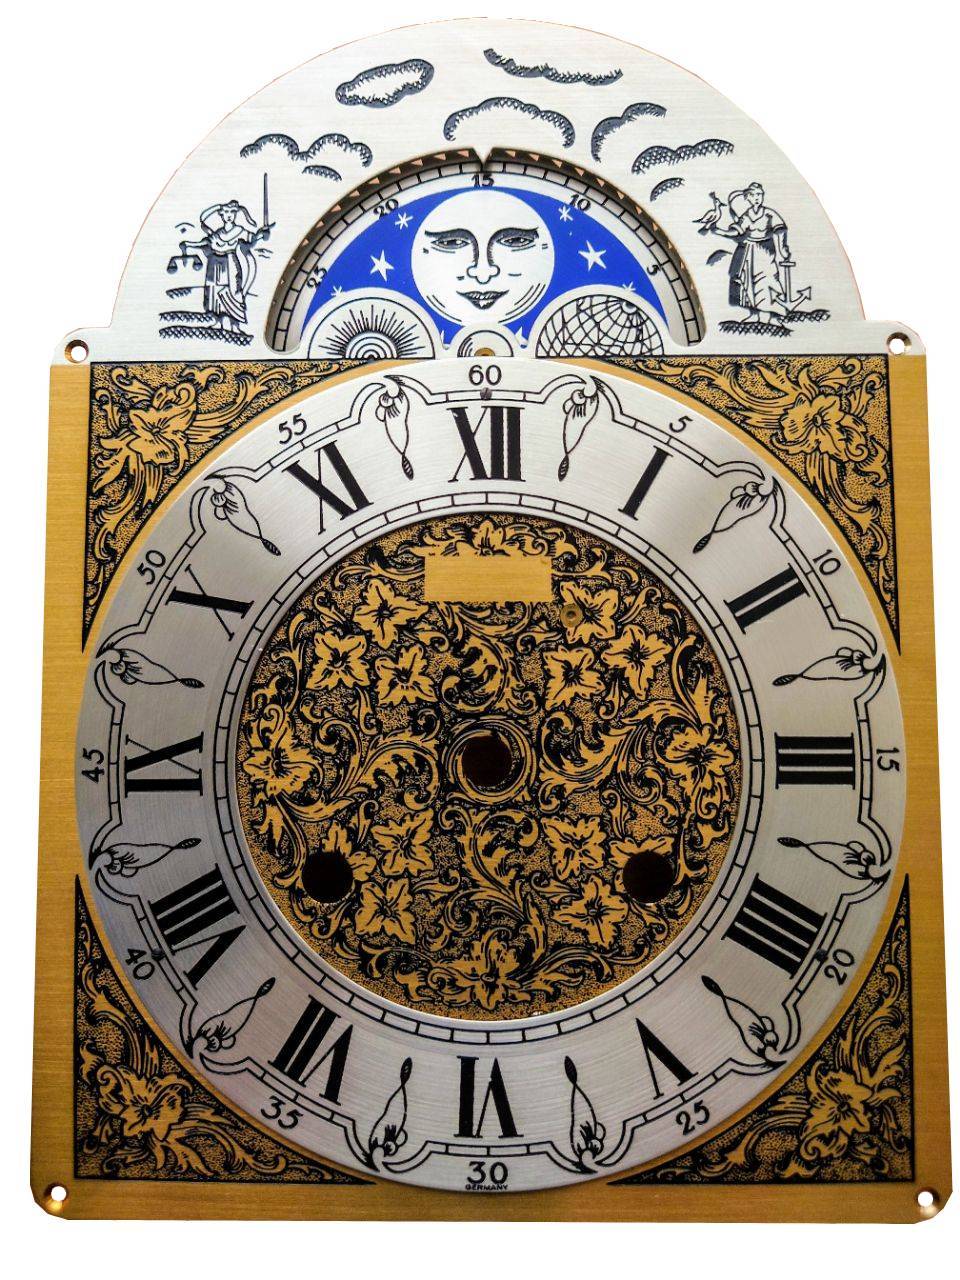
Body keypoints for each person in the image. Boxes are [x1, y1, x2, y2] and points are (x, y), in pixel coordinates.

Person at [710, 183, 791, 323]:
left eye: (759, 194)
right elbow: (737, 231)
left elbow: (780, 230)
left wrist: (781, 249)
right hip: (748, 251)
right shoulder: (747, 215)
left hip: (765, 251)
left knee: (767, 280)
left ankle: (772, 314)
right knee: (748, 282)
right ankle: (754, 313)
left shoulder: (769, 214)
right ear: (748, 198)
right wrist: (720, 231)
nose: (757, 198)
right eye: (753, 195)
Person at [182, 200, 268, 332]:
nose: (229, 215)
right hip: (214, 264)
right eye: (225, 212)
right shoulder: (217, 233)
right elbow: (202, 220)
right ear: (221, 215)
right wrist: (218, 206)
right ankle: (218, 322)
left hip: (230, 264)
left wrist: (262, 234)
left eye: (232, 212)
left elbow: (252, 241)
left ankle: (235, 325)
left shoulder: (240, 231)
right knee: (215, 292)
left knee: (234, 292)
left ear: (235, 214)